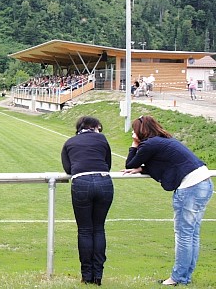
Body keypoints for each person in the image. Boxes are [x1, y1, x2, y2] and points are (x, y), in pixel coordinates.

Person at [124, 115, 213, 286]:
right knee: (192, 234)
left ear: (140, 131)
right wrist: (143, 168)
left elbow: (130, 163)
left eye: (134, 130)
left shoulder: (149, 144)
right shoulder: (162, 141)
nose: (133, 133)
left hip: (190, 187)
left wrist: (134, 144)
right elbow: (158, 162)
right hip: (204, 182)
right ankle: (184, 276)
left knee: (184, 235)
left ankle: (178, 278)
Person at [61, 116, 113, 286]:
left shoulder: (69, 143)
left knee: (84, 230)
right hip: (104, 182)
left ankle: (86, 276)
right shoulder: (102, 139)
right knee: (98, 229)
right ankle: (98, 276)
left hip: (81, 182)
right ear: (95, 127)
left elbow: (68, 169)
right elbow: (108, 163)